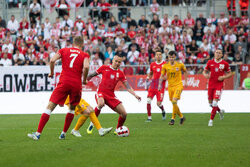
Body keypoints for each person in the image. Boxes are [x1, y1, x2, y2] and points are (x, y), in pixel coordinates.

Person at [27, 36, 90, 140]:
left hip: (64, 82)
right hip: (76, 84)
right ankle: (63, 134)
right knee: (72, 109)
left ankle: (38, 134)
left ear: (73, 43)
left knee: (50, 106)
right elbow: (86, 67)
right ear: (82, 44)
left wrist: (51, 73)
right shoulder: (84, 54)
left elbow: (52, 60)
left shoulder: (64, 50)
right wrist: (84, 80)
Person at [86, 55, 141, 135]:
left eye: (119, 62)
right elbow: (92, 75)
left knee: (124, 114)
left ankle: (118, 129)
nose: (117, 63)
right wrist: (84, 81)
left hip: (111, 95)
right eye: (116, 61)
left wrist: (135, 95)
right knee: (101, 104)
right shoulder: (104, 67)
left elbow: (127, 86)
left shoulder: (120, 73)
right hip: (101, 91)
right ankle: (92, 124)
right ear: (113, 60)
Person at [203, 48, 233, 127]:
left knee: (215, 103)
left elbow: (230, 73)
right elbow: (204, 71)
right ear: (214, 53)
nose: (218, 54)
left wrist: (223, 77)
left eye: (219, 53)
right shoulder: (210, 62)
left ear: (222, 55)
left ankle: (211, 120)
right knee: (211, 104)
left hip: (219, 85)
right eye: (216, 52)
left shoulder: (224, 63)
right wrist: (205, 75)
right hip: (210, 85)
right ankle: (220, 112)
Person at [159, 51, 188, 125]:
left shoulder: (180, 65)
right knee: (173, 103)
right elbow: (162, 76)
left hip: (178, 85)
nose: (171, 59)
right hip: (170, 87)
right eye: (170, 57)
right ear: (168, 58)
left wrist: (186, 81)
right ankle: (181, 117)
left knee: (174, 101)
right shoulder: (165, 66)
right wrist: (160, 85)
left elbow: (185, 71)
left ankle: (172, 120)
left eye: (173, 57)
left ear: (175, 57)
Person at [145, 50, 166, 122]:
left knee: (158, 104)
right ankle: (149, 118)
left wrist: (162, 79)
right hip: (153, 85)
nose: (158, 56)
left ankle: (163, 110)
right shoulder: (152, 64)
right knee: (148, 100)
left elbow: (167, 76)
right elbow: (151, 73)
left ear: (162, 55)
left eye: (160, 54)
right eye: (157, 55)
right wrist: (148, 77)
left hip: (161, 86)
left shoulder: (165, 64)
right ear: (155, 56)